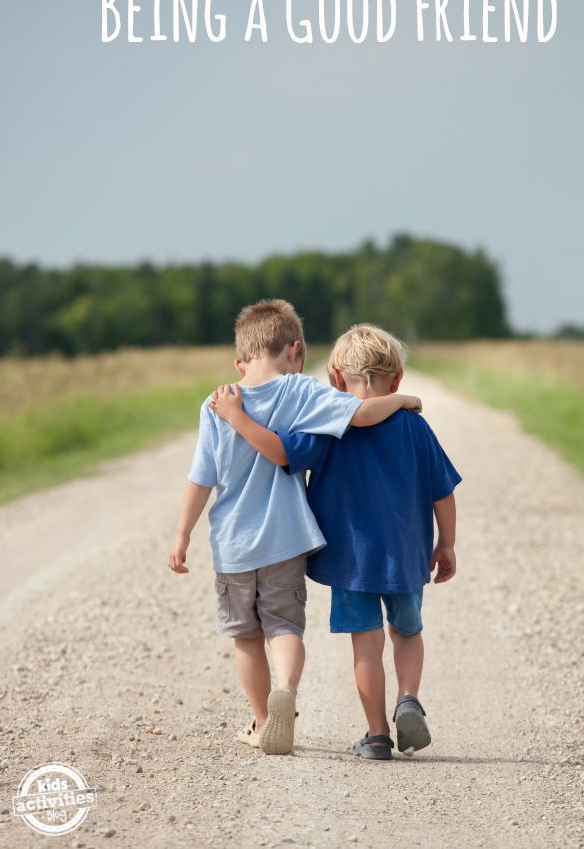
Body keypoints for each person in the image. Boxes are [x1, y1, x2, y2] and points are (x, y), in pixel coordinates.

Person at [167, 302, 422, 756]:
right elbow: (362, 414)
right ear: (296, 350)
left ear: (240, 361)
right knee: (285, 627)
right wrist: (402, 400)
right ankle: (286, 685)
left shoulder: (216, 404)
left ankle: (265, 720)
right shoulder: (300, 392)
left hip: (233, 546)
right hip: (286, 539)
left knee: (246, 637)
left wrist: (182, 533)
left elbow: (201, 477)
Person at [212, 323, 461, 761]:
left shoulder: (328, 425)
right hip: (405, 556)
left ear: (336, 379)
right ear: (398, 381)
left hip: (351, 561)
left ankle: (378, 734)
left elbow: (280, 452)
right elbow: (444, 491)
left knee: (366, 643)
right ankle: (408, 697)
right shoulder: (415, 429)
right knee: (407, 631)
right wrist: (447, 544)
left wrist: (238, 418)